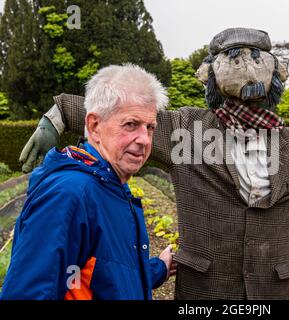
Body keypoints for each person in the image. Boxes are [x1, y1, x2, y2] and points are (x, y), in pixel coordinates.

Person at [18, 28, 289, 300]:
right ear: (211, 73)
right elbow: (114, 111)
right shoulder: (186, 131)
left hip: (270, 296)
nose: (245, 63)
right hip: (200, 297)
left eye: (255, 55)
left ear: (274, 71)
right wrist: (55, 119)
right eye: (234, 56)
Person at [1, 64, 177, 300]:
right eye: (131, 124)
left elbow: (106, 271)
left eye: (150, 127)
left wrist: (158, 269)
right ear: (94, 126)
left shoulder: (113, 186)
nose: (144, 139)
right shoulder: (69, 194)